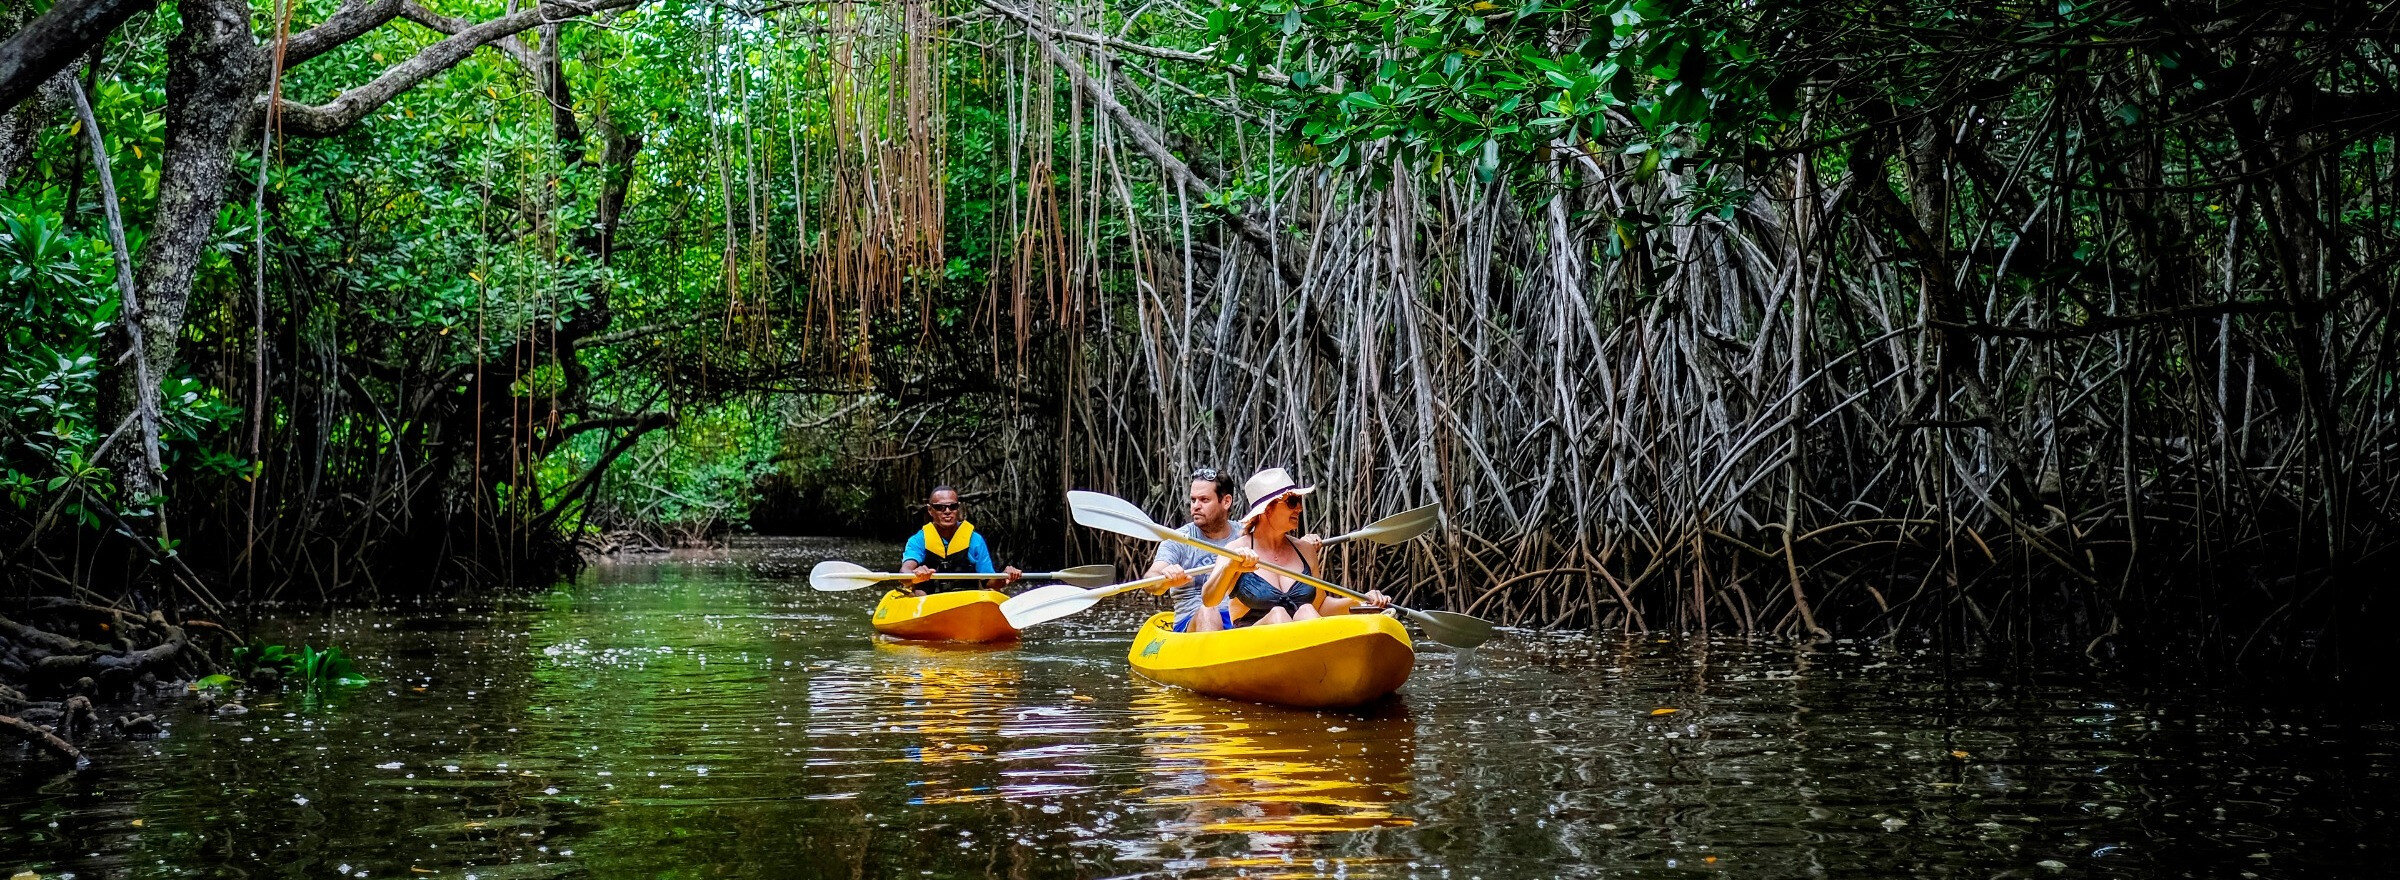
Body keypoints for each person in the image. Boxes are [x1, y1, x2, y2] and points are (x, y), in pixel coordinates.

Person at [1196, 468, 1388, 629]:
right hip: (1253, 645)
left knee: (1306, 610)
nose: (1299, 509)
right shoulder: (1235, 550)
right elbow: (1209, 600)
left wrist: (1360, 601)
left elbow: (1320, 606)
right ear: (1267, 509)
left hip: (1300, 641)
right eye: (1292, 502)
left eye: (1299, 501)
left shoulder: (1305, 550)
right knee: (1278, 614)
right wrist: (1229, 567)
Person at [1146, 468, 1240, 632]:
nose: (1195, 506)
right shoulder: (1178, 539)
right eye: (1193, 500)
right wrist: (1165, 578)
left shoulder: (1245, 535)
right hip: (1194, 622)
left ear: (1226, 502)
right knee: (1209, 610)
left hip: (1238, 620)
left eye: (1204, 500)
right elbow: (1151, 581)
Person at [899, 486, 1022, 594]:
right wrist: (915, 575)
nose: (947, 511)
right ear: (930, 510)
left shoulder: (975, 540)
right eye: (940, 507)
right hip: (928, 603)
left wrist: (1004, 576)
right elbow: (904, 572)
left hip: (963, 603)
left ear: (958, 508)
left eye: (953, 506)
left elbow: (990, 583)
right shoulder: (918, 540)